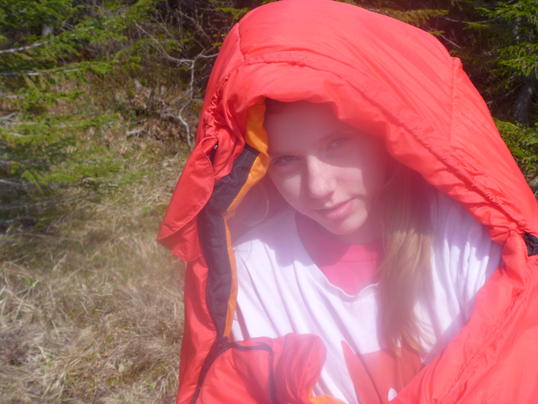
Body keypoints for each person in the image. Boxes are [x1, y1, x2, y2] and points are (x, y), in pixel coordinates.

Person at [157, 1, 538, 403]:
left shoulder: (469, 240)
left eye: (337, 144)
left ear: (384, 138)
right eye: (287, 160)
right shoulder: (251, 273)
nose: (319, 187)